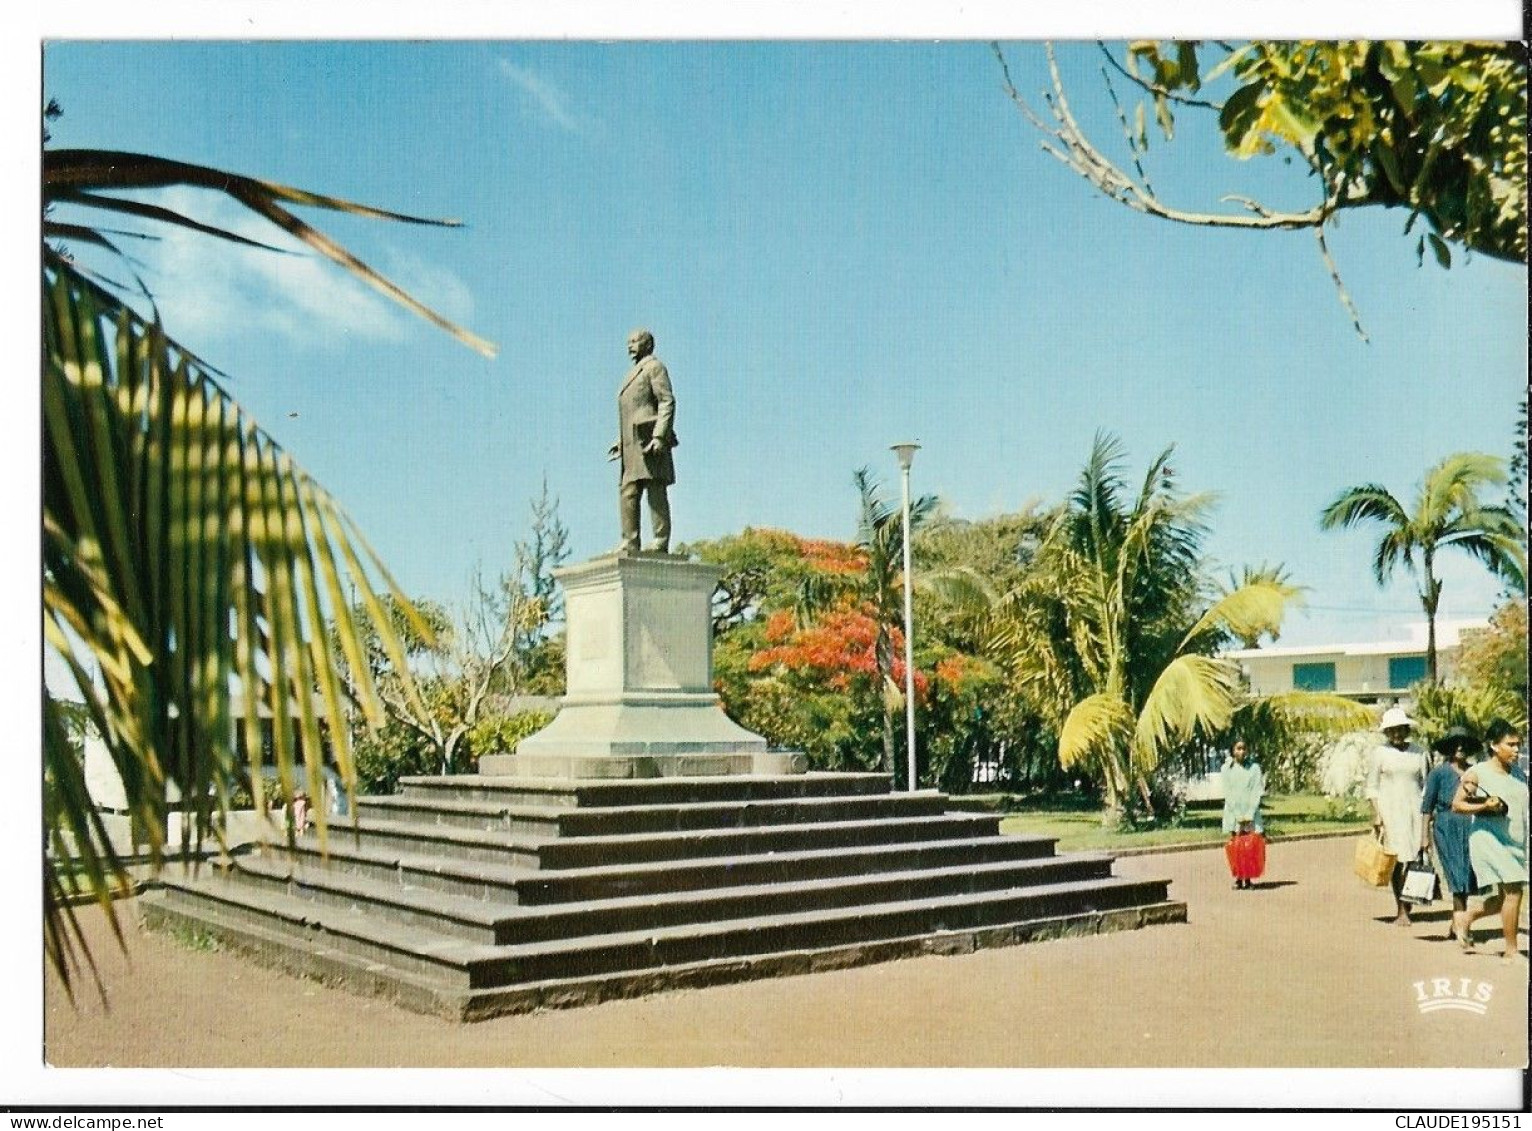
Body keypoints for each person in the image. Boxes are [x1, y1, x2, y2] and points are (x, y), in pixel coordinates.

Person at [1453, 719, 1528, 960]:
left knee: (1502, 899)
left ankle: (1466, 918)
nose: (1517, 750)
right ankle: (1511, 950)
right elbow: (1457, 804)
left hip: (1514, 840)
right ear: (1494, 745)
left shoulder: (1519, 774)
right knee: (1514, 891)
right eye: (1511, 745)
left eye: (1519, 745)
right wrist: (1485, 804)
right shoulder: (1477, 773)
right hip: (1487, 838)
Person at [608, 328, 677, 554]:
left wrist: (659, 435)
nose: (630, 346)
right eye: (628, 342)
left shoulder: (655, 367)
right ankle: (630, 540)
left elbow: (666, 401)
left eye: (635, 341)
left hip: (649, 440)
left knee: (655, 489)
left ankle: (660, 540)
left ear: (648, 344)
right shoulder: (633, 372)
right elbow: (631, 412)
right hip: (631, 444)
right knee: (628, 490)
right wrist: (621, 441)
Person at [1365, 706, 1431, 926]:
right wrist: (1377, 814)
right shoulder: (1380, 753)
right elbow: (1372, 787)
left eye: (1400, 730)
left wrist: (1428, 814)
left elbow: (1426, 785)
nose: (1396, 734)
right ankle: (1401, 908)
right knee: (1395, 859)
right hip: (1390, 810)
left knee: (1413, 858)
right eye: (1391, 731)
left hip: (1414, 809)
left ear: (1406, 729)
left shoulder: (1420, 753)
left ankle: (1411, 899)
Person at [1421, 726, 1479, 948]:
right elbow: (1426, 806)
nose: (1460, 748)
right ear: (1449, 747)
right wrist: (1424, 837)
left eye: (1464, 744)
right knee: (1456, 876)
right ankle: (1463, 928)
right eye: (1455, 743)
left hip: (1470, 827)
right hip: (1446, 826)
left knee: (1467, 876)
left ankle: (1457, 923)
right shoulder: (1438, 773)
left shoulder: (1474, 772)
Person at [1221, 738, 1265, 889]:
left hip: (1250, 813)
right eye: (1238, 748)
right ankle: (1239, 877)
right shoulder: (1227, 769)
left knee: (1249, 846)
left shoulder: (1254, 768)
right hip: (1234, 814)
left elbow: (1257, 790)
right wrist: (1238, 815)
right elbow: (1228, 792)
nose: (1242, 752)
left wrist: (1249, 813)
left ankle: (1248, 878)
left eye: (1244, 748)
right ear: (1233, 750)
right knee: (1237, 847)